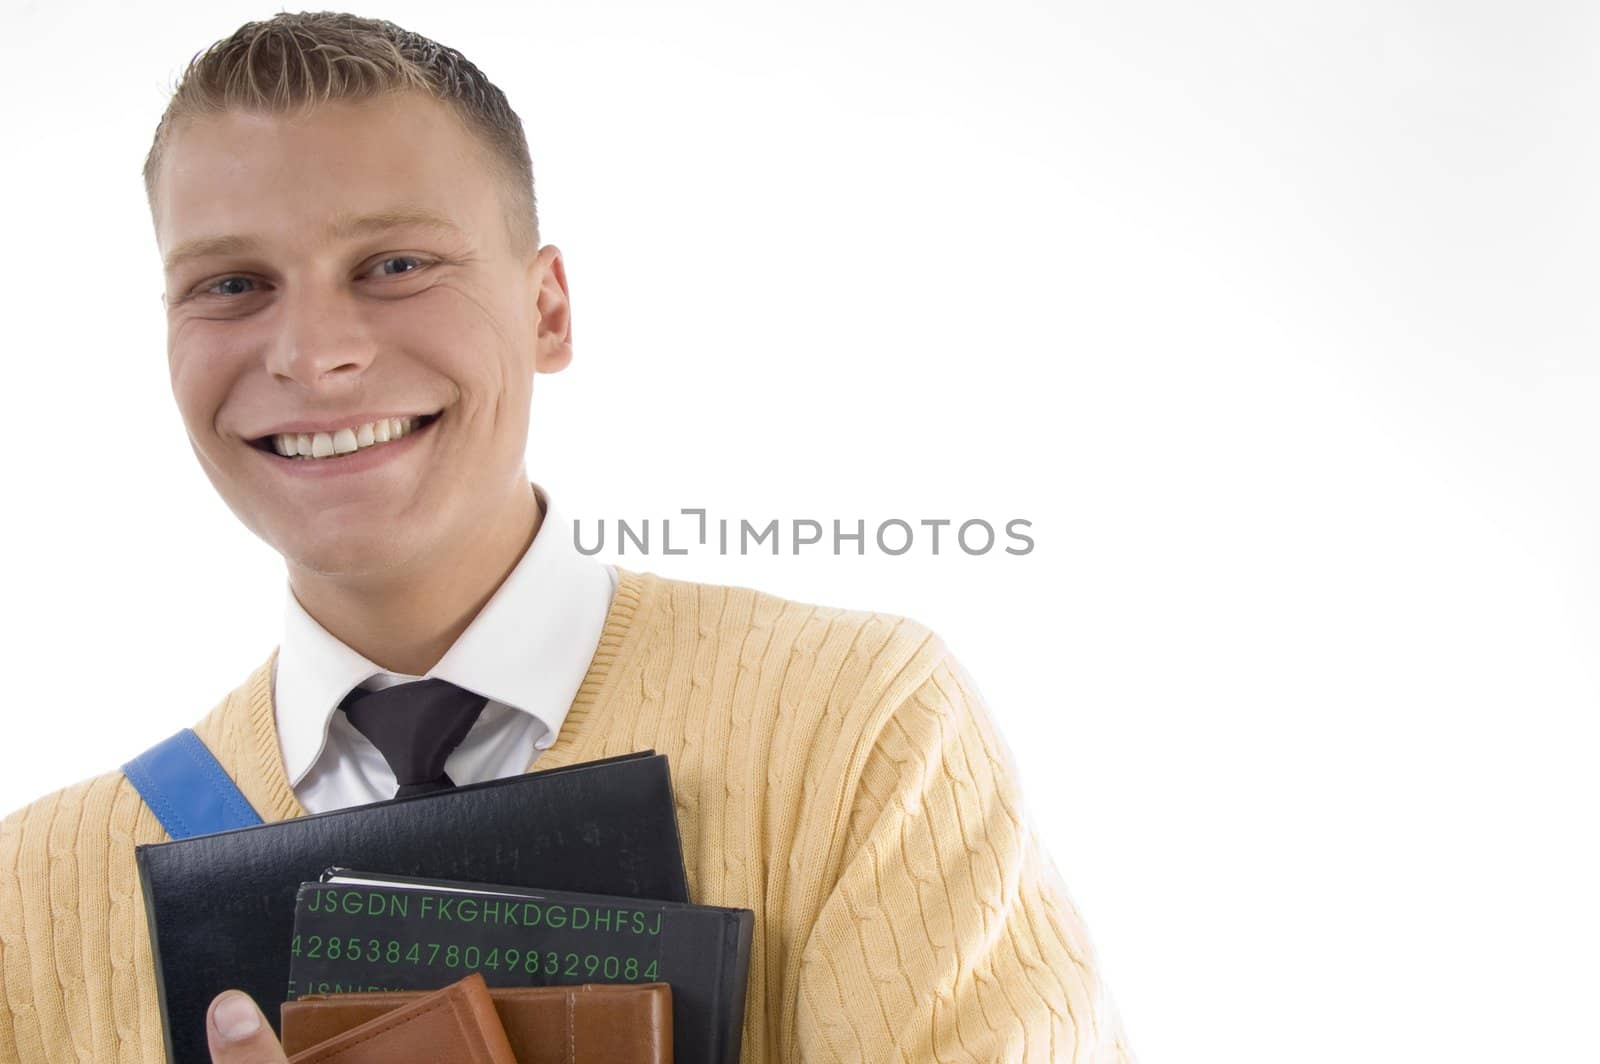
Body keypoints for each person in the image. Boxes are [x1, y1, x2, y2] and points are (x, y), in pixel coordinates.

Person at [0, 12, 1131, 1063]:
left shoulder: (857, 728)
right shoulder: (39, 892)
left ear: (547, 309)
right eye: (232, 282)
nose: (312, 351)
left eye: (394, 265)